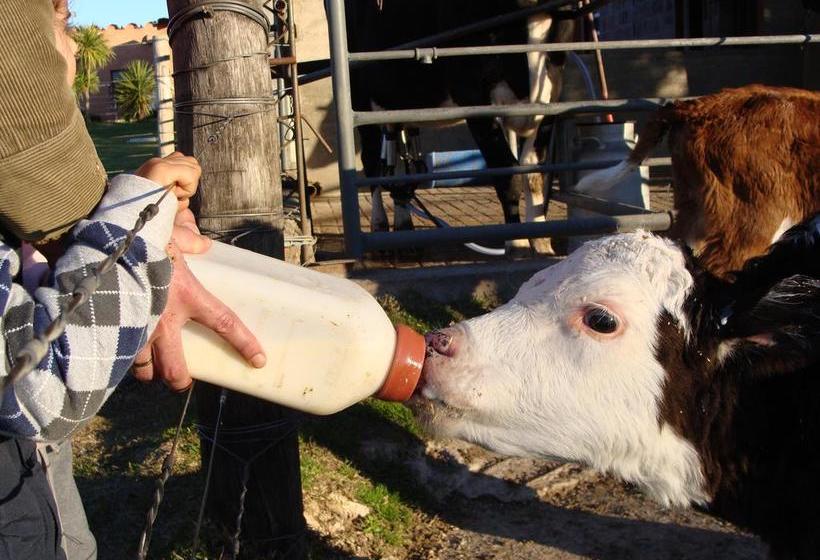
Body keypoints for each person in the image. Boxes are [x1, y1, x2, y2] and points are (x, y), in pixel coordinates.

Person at [0, 1, 267, 558]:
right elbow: (43, 388)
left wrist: (124, 219)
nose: (69, 41)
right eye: (60, 20)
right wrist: (136, 235)